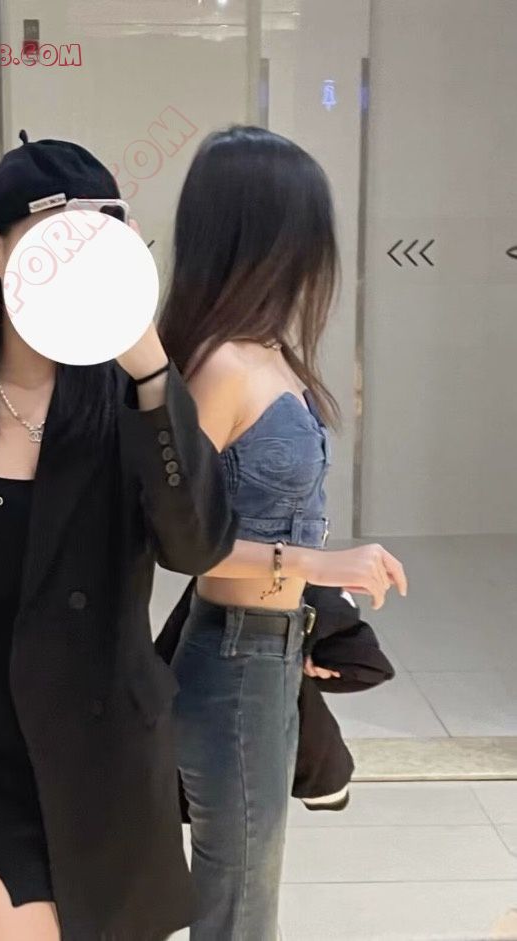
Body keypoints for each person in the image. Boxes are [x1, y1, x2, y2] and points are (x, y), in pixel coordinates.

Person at [0, 131, 238, 941]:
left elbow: (197, 545)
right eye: (54, 241)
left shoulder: (133, 414)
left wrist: (151, 367)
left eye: (94, 242)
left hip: (108, 764)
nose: (73, 263)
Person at [158, 125, 408, 940]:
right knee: (239, 899)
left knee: (245, 887)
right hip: (233, 657)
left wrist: (308, 604)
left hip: (266, 650)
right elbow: (176, 540)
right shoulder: (221, 365)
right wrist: (318, 562)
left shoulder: (265, 351)